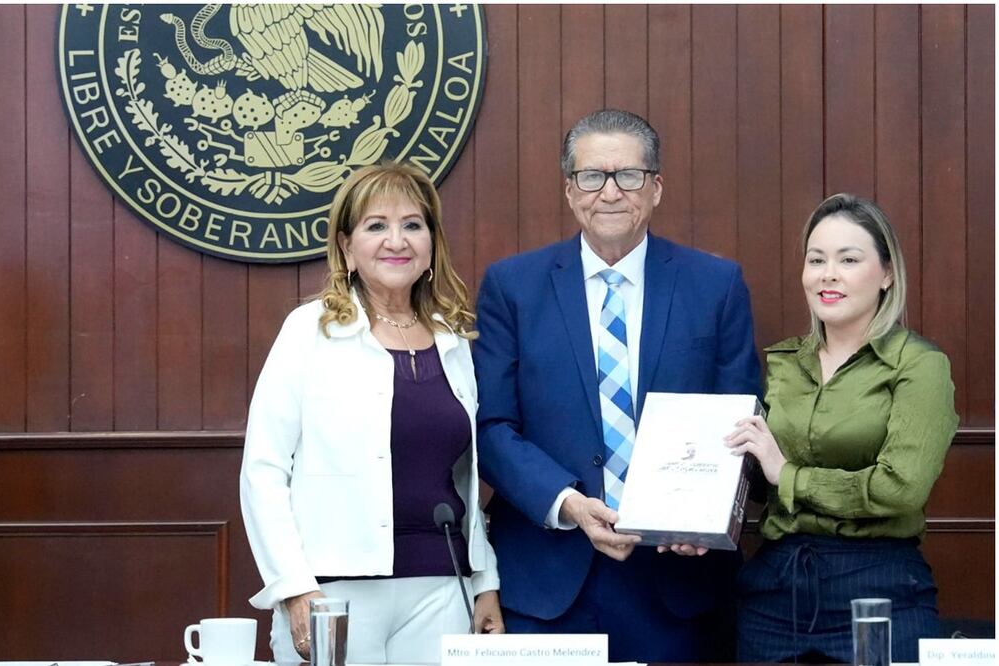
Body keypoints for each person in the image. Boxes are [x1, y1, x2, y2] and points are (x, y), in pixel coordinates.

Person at [473, 109, 761, 662]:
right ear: (569, 189)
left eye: (628, 175)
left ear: (655, 188)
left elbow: (740, 416)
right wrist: (569, 503)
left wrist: (705, 515)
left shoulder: (715, 285)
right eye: (591, 176)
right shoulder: (513, 286)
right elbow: (491, 427)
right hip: (549, 580)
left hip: (680, 583)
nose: (610, 192)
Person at [240, 162, 504, 665]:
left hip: (442, 587)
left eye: (412, 224)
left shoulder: (453, 338)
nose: (396, 240)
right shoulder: (308, 331)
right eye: (376, 225)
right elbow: (263, 472)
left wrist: (485, 579)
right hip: (333, 594)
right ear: (346, 247)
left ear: (431, 243)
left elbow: (466, 480)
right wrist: (293, 588)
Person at [725, 193, 957, 663]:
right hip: (774, 590)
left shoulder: (919, 365)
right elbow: (756, 481)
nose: (828, 273)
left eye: (848, 259)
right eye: (817, 260)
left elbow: (901, 489)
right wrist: (695, 520)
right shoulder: (784, 362)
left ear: (887, 274)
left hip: (877, 587)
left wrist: (787, 474)